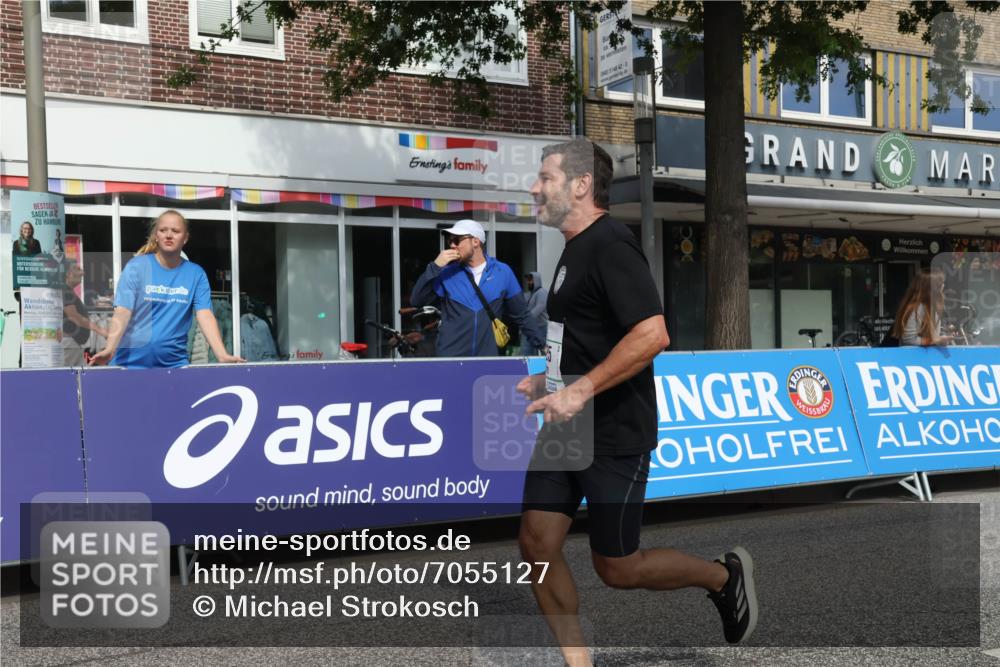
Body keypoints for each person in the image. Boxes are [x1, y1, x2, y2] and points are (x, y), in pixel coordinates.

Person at [517, 138, 759, 666]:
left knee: (617, 568)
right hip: (567, 427)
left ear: (581, 185)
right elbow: (585, 338)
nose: (534, 188)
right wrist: (553, 381)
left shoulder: (611, 245)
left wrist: (580, 389)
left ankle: (722, 576)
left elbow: (652, 335)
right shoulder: (572, 250)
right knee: (536, 544)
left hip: (613, 430)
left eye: (546, 178)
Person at [89, 210, 244, 368]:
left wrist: (222, 355)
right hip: (129, 364)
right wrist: (110, 349)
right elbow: (122, 312)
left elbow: (205, 315)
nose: (168, 235)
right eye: (163, 230)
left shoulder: (196, 274)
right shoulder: (136, 267)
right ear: (156, 235)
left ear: (185, 238)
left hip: (173, 366)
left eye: (175, 231)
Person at [410, 218, 545, 357]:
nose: (452, 245)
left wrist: (543, 346)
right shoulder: (446, 272)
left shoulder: (503, 272)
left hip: (486, 362)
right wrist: (435, 266)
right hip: (450, 360)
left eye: (456, 240)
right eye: (450, 241)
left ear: (475, 241)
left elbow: (522, 315)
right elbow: (417, 300)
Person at [62, 263, 109, 366]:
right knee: (68, 377)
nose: (83, 273)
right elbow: (74, 316)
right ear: (68, 274)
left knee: (79, 376)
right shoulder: (65, 290)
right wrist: (100, 330)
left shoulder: (68, 291)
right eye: (78, 269)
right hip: (70, 342)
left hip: (75, 343)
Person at [890, 269, 951, 346]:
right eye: (941, 283)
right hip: (914, 356)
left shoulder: (933, 306)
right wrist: (935, 340)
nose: (943, 286)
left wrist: (943, 336)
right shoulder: (916, 308)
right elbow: (909, 339)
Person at [523, 271, 548, 355]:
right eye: (528, 280)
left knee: (545, 352)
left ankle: (549, 367)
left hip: (542, 328)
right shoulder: (529, 294)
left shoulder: (542, 292)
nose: (529, 282)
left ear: (536, 280)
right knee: (527, 352)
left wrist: (526, 319)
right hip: (531, 327)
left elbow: (539, 307)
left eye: (531, 280)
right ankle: (531, 368)